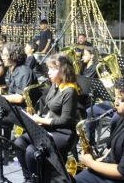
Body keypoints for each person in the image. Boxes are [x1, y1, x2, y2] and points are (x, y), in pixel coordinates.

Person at [14, 54, 79, 182]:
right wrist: (35, 116)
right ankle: (29, 178)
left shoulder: (70, 91)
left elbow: (66, 120)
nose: (48, 72)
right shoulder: (55, 85)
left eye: (53, 69)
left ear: (64, 70)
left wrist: (40, 120)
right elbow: (50, 108)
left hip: (64, 133)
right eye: (48, 68)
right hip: (50, 127)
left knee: (32, 151)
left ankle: (40, 180)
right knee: (19, 143)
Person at [0, 42, 35, 174]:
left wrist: (1, 98)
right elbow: (10, 92)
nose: (1, 57)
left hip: (21, 111)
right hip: (10, 106)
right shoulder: (11, 69)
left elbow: (20, 98)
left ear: (13, 55)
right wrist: (1, 93)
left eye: (4, 55)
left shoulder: (24, 71)